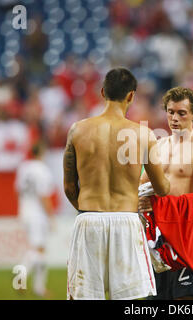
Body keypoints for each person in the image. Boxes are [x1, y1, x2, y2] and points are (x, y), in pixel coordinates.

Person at [64, 68, 170, 300]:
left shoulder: (77, 130)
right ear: (131, 96)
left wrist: (89, 211)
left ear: (102, 92)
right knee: (129, 300)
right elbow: (162, 188)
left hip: (88, 218)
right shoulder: (143, 135)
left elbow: (69, 188)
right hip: (127, 221)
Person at [138, 86, 193, 300]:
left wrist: (157, 205)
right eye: (170, 112)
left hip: (187, 230)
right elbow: (141, 186)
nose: (174, 118)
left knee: (188, 300)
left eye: (181, 113)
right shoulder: (157, 146)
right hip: (158, 233)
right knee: (155, 298)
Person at [15, 141, 55, 298]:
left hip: (24, 211)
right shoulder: (43, 170)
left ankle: (39, 288)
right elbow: (44, 196)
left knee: (41, 250)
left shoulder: (23, 168)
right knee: (38, 250)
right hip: (37, 214)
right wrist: (51, 217)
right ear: (42, 153)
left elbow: (18, 190)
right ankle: (20, 273)